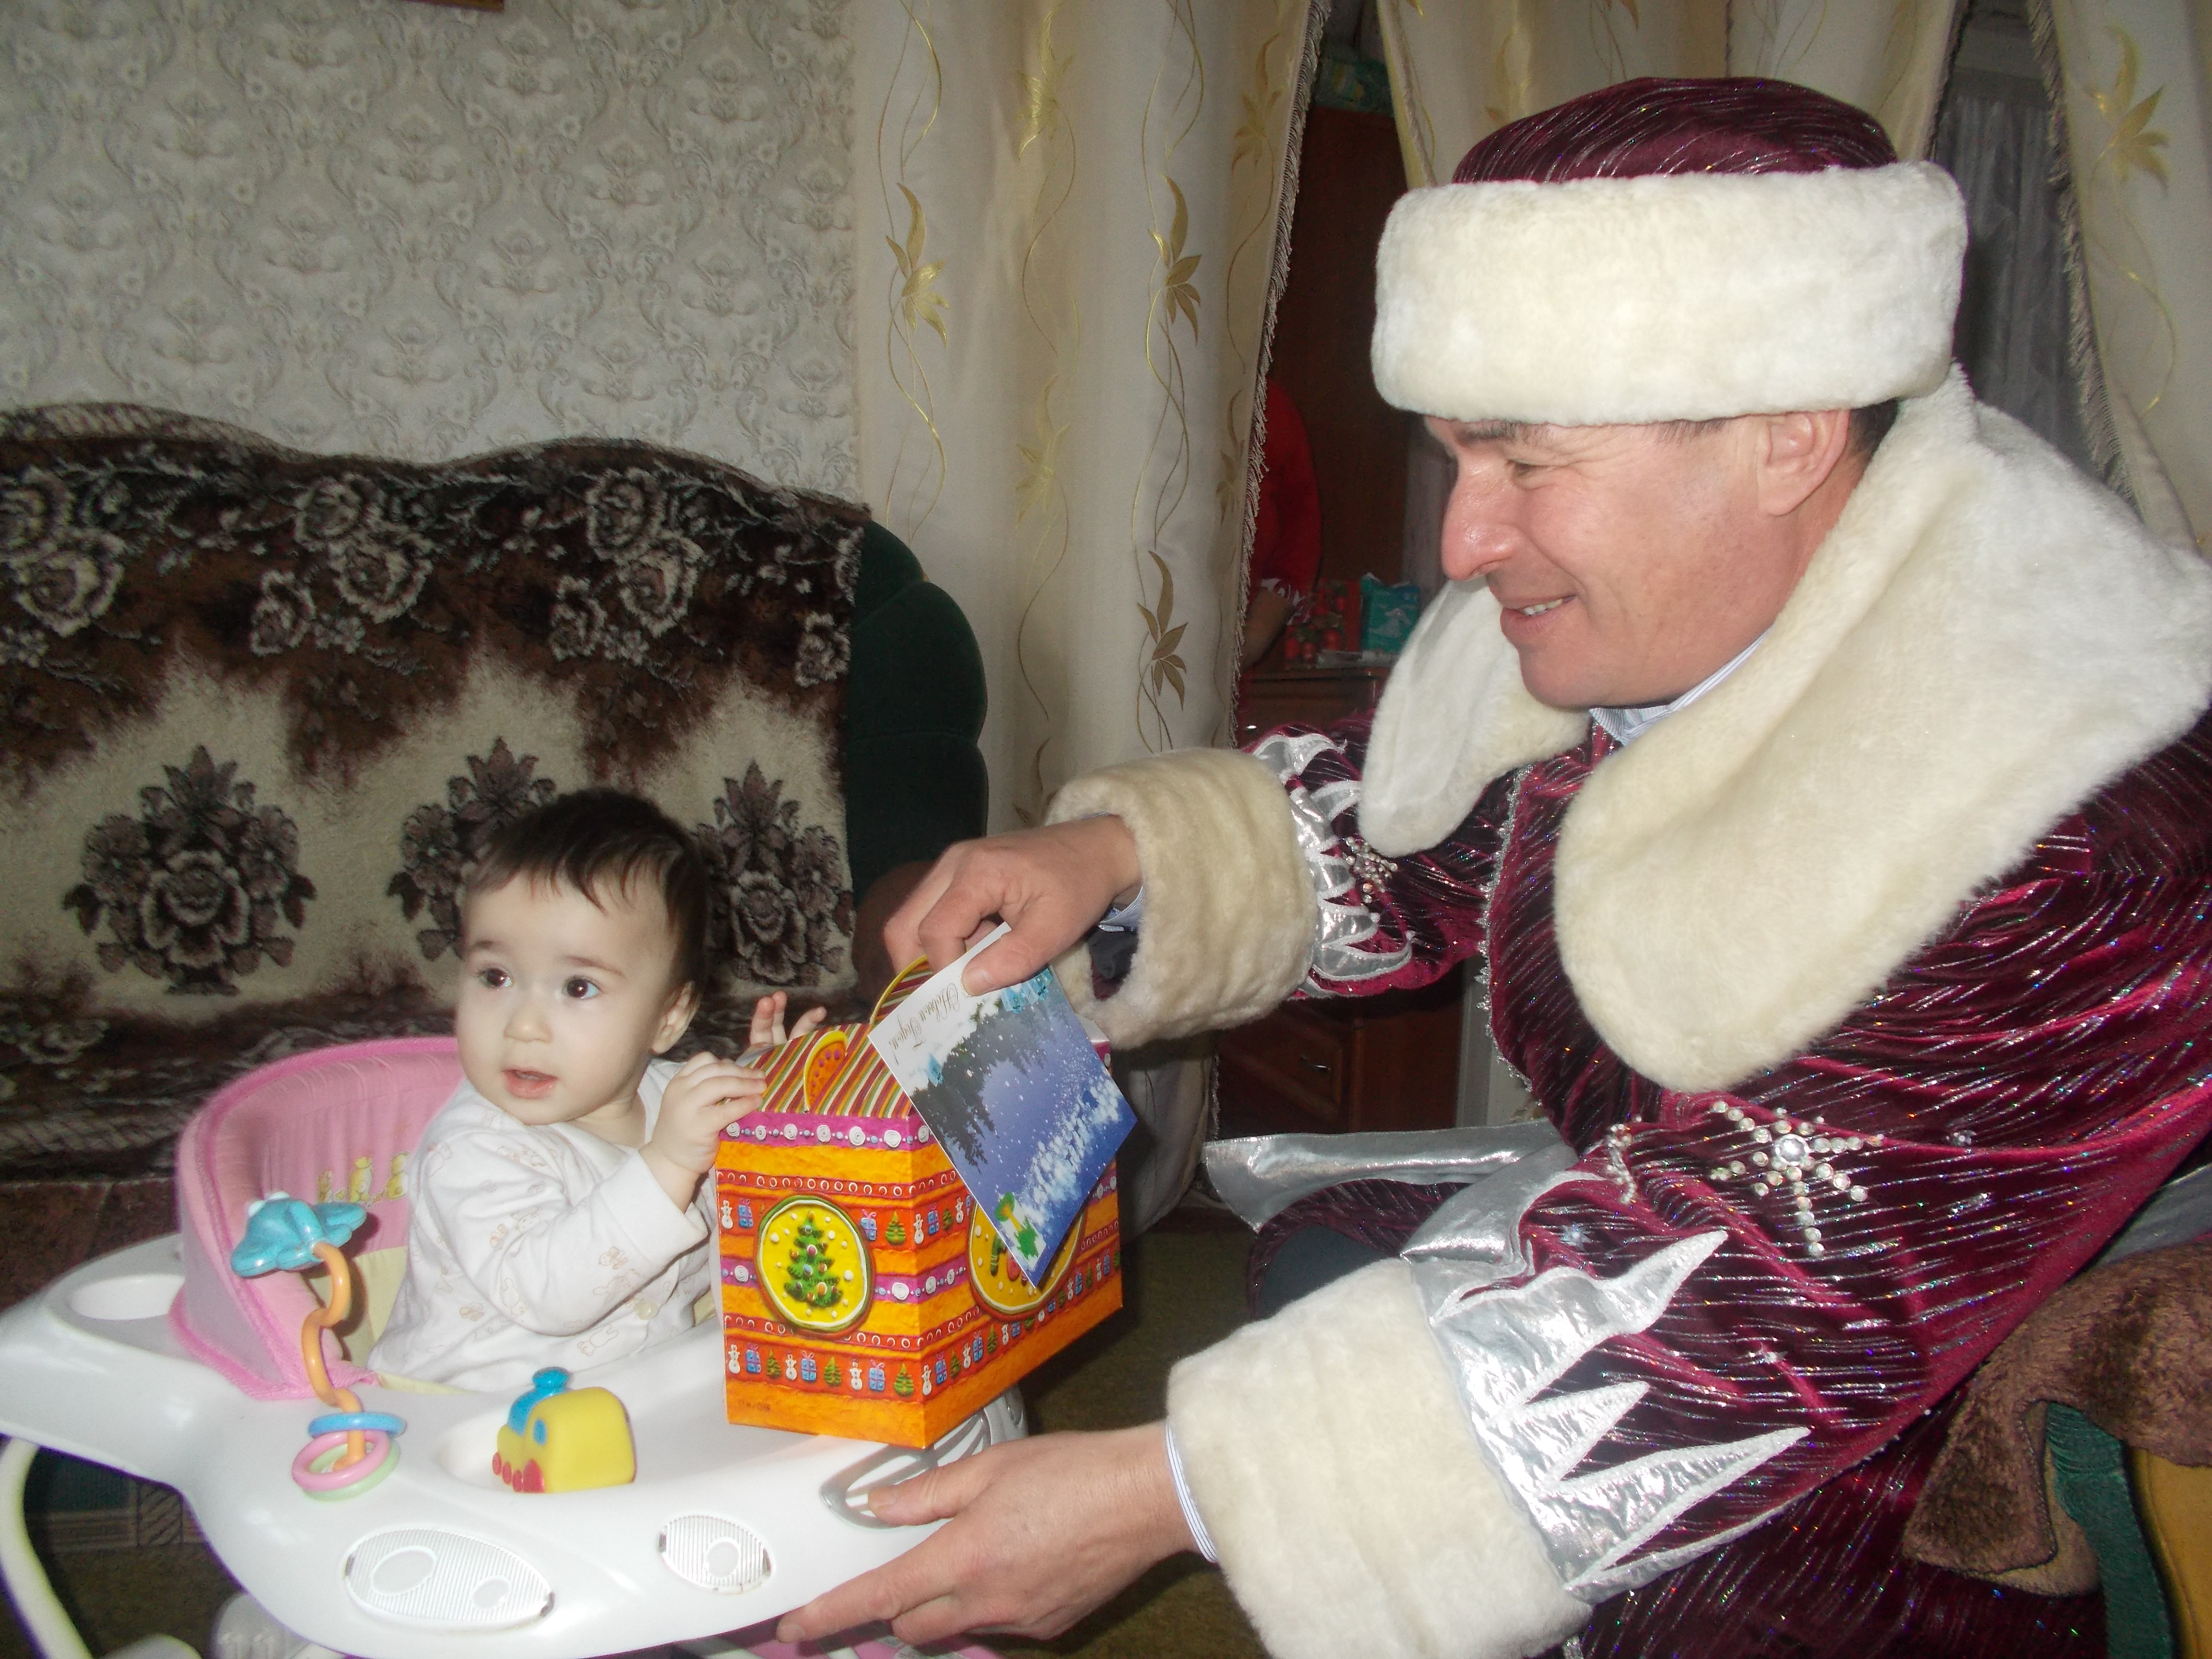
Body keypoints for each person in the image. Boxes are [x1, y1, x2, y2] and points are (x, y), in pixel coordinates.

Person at [777, 77, 2212, 1659]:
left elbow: (1775, 1308)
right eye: (1456, 456)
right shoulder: (1669, 616)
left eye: (1525, 461)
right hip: (1741, 1225)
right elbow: (1413, 842)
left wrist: (1176, 1490)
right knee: (1332, 1255)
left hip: (1957, 1389)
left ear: (1789, 436)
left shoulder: (2069, 800)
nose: (1461, 541)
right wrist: (1112, 857)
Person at [371, 789, 821, 1392]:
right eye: (495, 977)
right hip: (469, 1412)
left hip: (643, 1394)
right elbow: (547, 1292)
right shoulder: (472, 1148)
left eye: (577, 987)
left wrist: (765, 1090)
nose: (523, 1025)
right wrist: (667, 1165)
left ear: (668, 1018)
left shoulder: (670, 1100)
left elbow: (747, 1196)